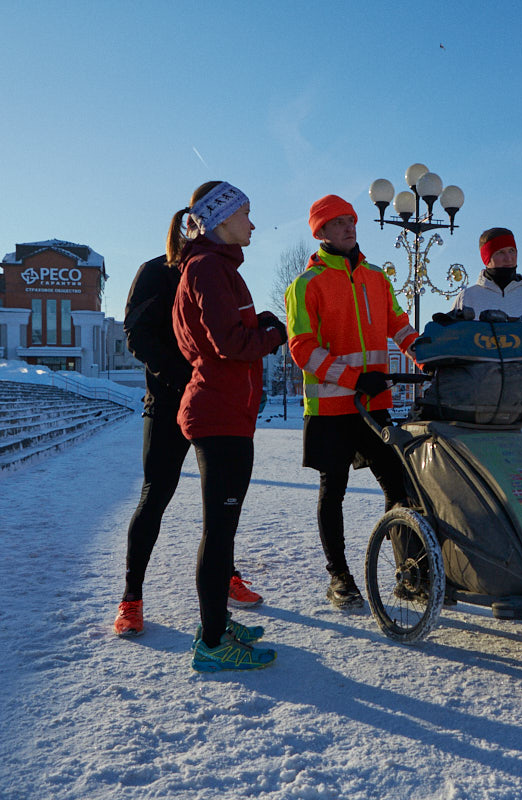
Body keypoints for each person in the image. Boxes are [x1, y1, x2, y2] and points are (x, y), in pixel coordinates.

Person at [112, 252, 265, 639]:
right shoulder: (156, 271)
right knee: (156, 493)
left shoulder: (217, 272)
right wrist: (187, 379)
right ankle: (131, 598)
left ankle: (224, 577)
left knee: (221, 503)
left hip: (211, 402)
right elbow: (137, 334)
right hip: (166, 402)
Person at [170, 180, 287, 671]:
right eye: (246, 213)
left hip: (225, 413)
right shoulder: (208, 268)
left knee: (223, 530)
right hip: (219, 416)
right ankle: (213, 644)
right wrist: (271, 335)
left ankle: (213, 622)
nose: (253, 223)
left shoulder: (213, 268)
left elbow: (221, 333)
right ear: (220, 219)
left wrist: (255, 321)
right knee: (219, 533)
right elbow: (229, 345)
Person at [285, 195, 418, 609]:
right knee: (333, 491)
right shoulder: (306, 284)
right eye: (338, 222)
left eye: (352, 221)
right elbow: (302, 348)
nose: (349, 227)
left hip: (373, 405)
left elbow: (400, 326)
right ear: (320, 232)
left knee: (400, 486)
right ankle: (339, 577)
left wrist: (434, 356)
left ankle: (409, 572)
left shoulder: (377, 278)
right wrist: (353, 378)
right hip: (328, 410)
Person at [451, 227, 522, 415]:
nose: (509, 258)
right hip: (481, 400)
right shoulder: (468, 297)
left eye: (512, 251)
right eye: (500, 253)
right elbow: (456, 346)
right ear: (486, 257)